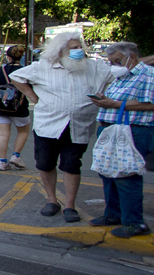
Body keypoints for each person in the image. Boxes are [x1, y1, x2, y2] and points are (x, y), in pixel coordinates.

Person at [8, 32, 113, 223]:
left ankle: (70, 205)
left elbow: (117, 75)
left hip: (79, 126)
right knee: (46, 163)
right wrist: (32, 96)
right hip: (48, 125)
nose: (78, 51)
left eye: (79, 47)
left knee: (72, 165)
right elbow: (15, 76)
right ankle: (51, 199)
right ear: (60, 51)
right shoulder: (43, 67)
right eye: (73, 48)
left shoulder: (93, 67)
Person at [87, 42, 154, 237]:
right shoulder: (123, 77)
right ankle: (113, 214)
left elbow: (149, 104)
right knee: (108, 173)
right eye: (111, 62)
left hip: (132, 131)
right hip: (111, 130)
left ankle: (134, 222)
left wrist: (114, 103)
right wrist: (104, 99)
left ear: (131, 56)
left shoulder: (147, 75)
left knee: (127, 176)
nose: (114, 65)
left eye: (117, 61)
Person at [0, 45, 32, 171]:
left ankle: (2, 162)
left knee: (3, 134)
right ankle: (16, 156)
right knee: (23, 131)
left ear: (7, 57)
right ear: (21, 56)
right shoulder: (25, 72)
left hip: (1, 108)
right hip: (20, 108)